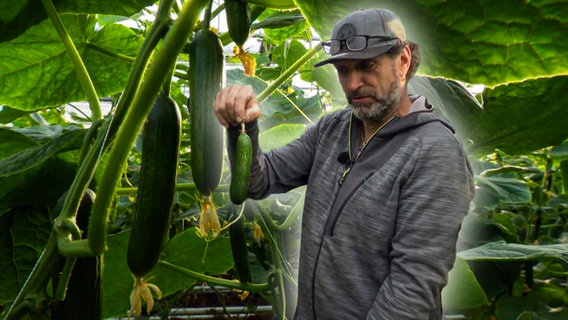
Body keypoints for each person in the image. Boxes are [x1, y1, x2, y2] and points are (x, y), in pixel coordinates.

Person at [214, 8, 474, 320]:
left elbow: (411, 291)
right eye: (343, 70)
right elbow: (259, 180)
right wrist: (242, 128)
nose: (352, 84)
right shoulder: (333, 128)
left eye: (367, 66)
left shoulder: (434, 152)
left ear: (403, 61)